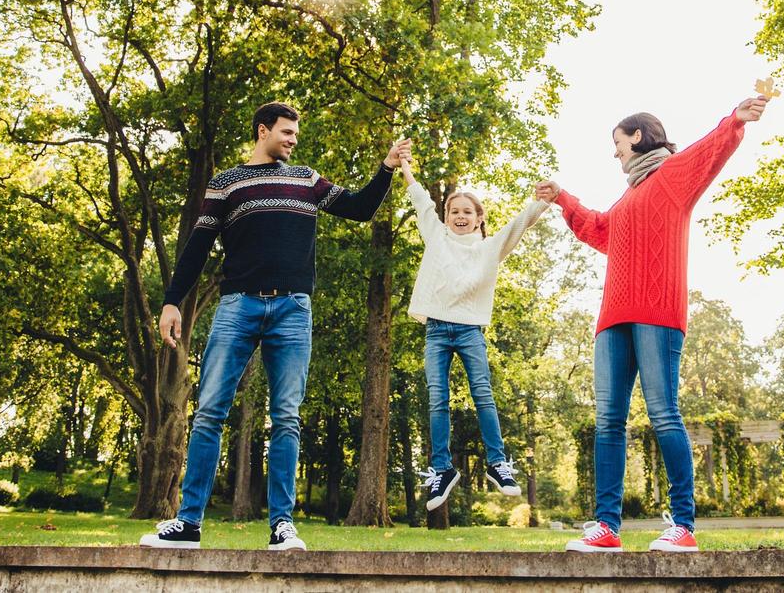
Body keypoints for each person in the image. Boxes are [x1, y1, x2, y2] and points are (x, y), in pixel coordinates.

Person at [139, 101, 409, 552]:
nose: (292, 140)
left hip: (292, 310)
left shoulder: (305, 179)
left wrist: (385, 168)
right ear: (263, 131)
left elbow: (360, 209)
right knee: (209, 413)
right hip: (237, 307)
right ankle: (188, 524)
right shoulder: (227, 183)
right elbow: (198, 246)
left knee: (286, 417)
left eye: (295, 135)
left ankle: (282, 526)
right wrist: (172, 301)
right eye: (286, 132)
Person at [538, 96, 768, 553]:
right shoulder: (629, 196)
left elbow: (709, 152)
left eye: (618, 142)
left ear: (638, 137)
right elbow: (600, 230)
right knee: (608, 422)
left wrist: (734, 121)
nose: (615, 151)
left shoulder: (673, 176)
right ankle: (606, 528)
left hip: (657, 313)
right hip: (613, 318)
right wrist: (564, 198)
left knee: (663, 414)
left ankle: (683, 526)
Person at [400, 153, 548, 512]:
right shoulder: (436, 236)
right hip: (436, 330)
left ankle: (497, 464)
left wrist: (542, 201)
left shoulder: (488, 248)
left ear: (479, 218)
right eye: (454, 212)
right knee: (438, 398)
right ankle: (441, 468)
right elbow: (420, 198)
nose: (460, 217)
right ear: (446, 217)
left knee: (483, 393)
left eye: (468, 212)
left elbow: (518, 224)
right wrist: (404, 166)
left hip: (469, 332)